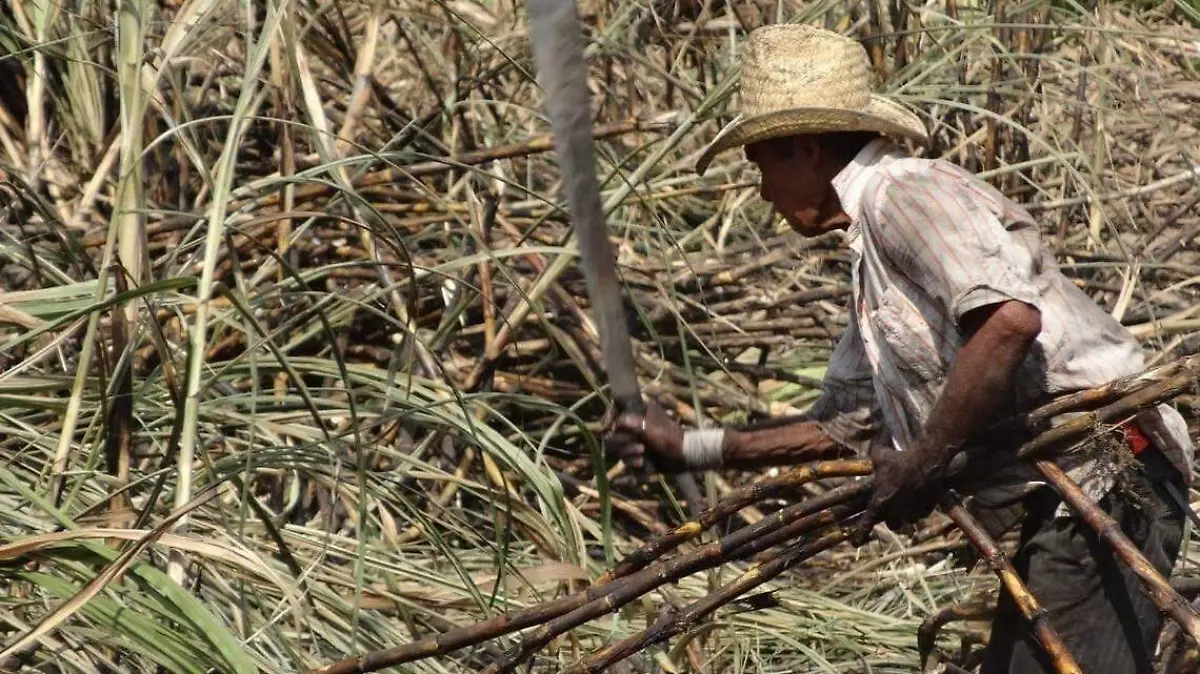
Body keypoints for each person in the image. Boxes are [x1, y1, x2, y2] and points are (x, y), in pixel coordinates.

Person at [608, 24, 1195, 674]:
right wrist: (691, 448)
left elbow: (1008, 323)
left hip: (1112, 482)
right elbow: (845, 429)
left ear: (805, 149)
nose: (764, 192)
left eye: (763, 166)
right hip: (1058, 502)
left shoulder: (903, 194)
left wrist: (925, 460)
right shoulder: (872, 266)